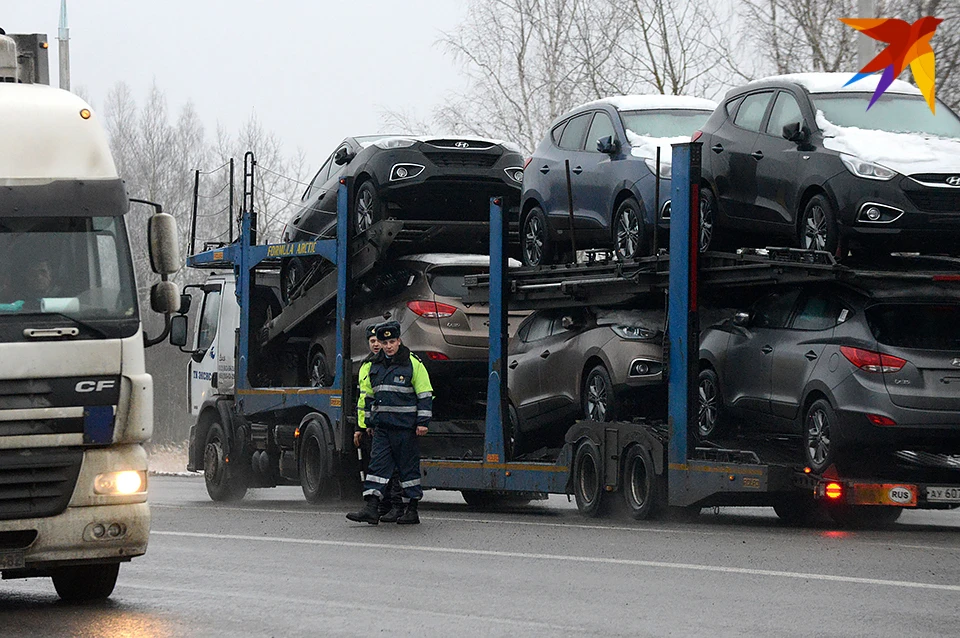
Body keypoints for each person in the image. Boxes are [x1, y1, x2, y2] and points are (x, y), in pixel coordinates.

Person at [346, 320, 432, 525]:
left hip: (405, 428)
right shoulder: (374, 365)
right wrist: (366, 424)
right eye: (385, 343)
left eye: (392, 342)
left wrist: (423, 422)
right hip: (382, 428)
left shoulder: (413, 363)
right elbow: (367, 398)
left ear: (399, 341)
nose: (388, 346)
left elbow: (425, 394)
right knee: (377, 467)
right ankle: (371, 508)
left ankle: (411, 510)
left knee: (407, 470)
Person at [355, 324, 403, 522]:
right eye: (373, 341)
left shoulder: (391, 364)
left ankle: (393, 505)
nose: (377, 344)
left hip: (388, 424)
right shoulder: (367, 365)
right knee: (375, 467)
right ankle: (378, 506)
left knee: (391, 468)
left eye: (380, 341)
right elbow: (363, 399)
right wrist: (361, 427)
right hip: (371, 426)